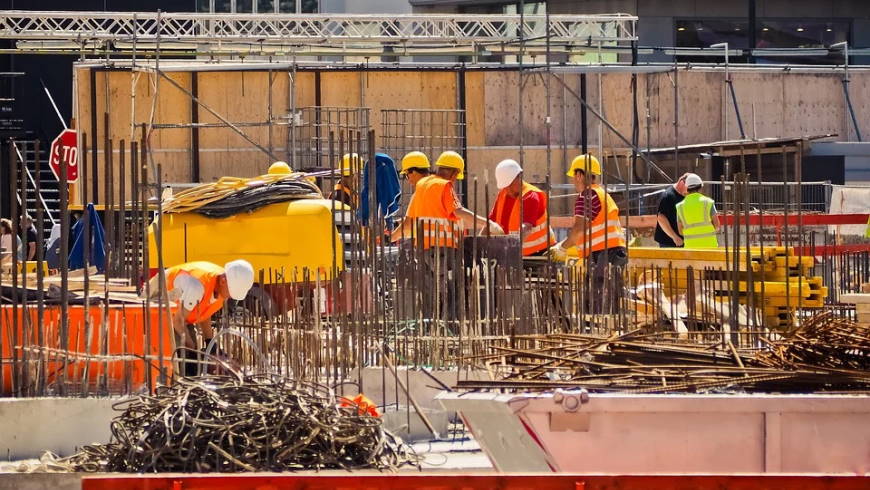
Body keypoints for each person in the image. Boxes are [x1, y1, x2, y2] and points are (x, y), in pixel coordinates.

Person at [390, 151, 503, 321]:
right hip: (445, 251)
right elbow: (459, 211)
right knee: (452, 292)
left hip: (424, 251)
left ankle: (429, 328)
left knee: (430, 295)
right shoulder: (445, 186)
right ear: (455, 173)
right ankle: (450, 330)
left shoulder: (421, 187)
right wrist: (487, 224)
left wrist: (389, 238)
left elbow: (409, 223)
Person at [549, 154, 627, 314]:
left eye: (574, 176)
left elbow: (579, 228)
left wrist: (562, 248)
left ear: (579, 175)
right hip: (613, 253)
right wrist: (564, 245)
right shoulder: (602, 194)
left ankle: (599, 336)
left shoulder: (588, 195)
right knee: (609, 304)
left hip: (603, 255)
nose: (573, 181)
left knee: (597, 304)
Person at [149, 259, 255, 376]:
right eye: (231, 292)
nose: (230, 296)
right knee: (181, 354)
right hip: (155, 303)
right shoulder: (197, 286)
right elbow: (178, 321)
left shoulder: (220, 286)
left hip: (179, 314)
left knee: (191, 359)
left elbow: (204, 314)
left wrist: (210, 343)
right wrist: (192, 348)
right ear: (224, 281)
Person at [489, 159, 555, 256]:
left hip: (539, 254)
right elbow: (490, 222)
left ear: (519, 177)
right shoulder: (503, 194)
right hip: (513, 253)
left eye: (510, 185)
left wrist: (513, 249)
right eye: (505, 186)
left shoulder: (531, 196)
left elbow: (526, 228)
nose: (508, 190)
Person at [676, 173, 720, 248]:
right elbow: (717, 226)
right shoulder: (708, 202)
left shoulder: (680, 206)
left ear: (687, 188)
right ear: (700, 187)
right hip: (709, 246)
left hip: (690, 247)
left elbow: (680, 231)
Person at [654, 173, 688, 248]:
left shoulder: (684, 195)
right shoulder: (667, 196)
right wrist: (675, 237)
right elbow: (661, 217)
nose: (690, 191)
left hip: (682, 241)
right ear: (682, 183)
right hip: (669, 242)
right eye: (689, 187)